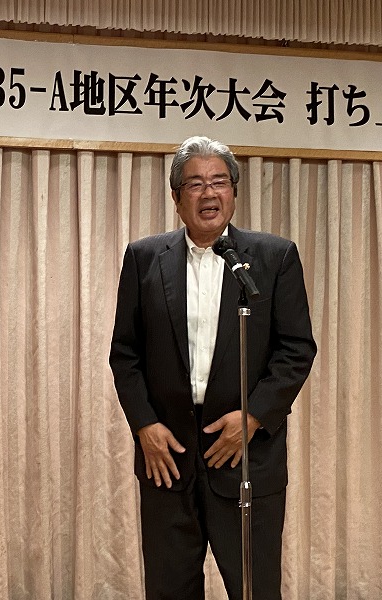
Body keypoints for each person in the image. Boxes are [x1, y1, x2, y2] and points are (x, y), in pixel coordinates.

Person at [109, 136, 317, 600]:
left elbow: (296, 349)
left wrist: (254, 416)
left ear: (234, 192)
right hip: (168, 457)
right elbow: (125, 353)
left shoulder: (273, 257)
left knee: (254, 589)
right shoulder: (144, 258)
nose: (209, 193)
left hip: (246, 455)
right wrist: (144, 425)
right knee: (170, 590)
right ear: (176, 197)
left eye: (219, 182)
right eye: (196, 184)